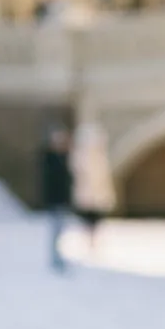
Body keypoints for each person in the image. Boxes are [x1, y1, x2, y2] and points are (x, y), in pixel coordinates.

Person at [71, 115, 116, 256]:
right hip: (89, 193)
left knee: (94, 218)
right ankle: (90, 240)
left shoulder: (97, 156)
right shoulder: (84, 156)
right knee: (89, 218)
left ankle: (92, 241)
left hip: (95, 193)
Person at [38, 125, 73, 272]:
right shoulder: (51, 160)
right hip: (55, 200)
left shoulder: (64, 158)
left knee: (61, 231)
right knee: (56, 232)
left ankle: (58, 258)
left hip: (62, 200)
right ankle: (55, 259)